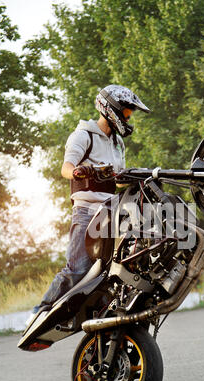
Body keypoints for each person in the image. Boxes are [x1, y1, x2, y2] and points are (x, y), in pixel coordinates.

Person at [27, 85, 150, 325]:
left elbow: (117, 180)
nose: (129, 118)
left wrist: (136, 179)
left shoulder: (117, 143)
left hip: (111, 215)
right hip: (86, 212)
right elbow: (65, 169)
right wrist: (79, 172)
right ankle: (39, 312)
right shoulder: (83, 135)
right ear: (112, 109)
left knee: (110, 271)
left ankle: (97, 316)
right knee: (78, 269)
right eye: (127, 113)